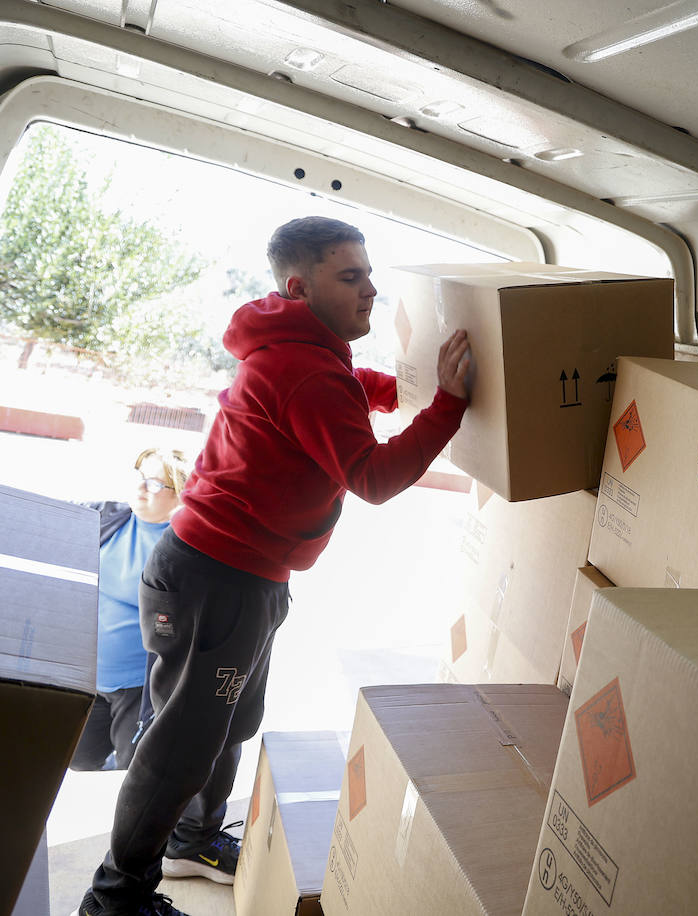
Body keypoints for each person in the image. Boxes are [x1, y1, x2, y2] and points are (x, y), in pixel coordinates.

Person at [75, 216, 474, 916]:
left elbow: (350, 387)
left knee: (228, 723)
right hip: (217, 580)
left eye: (368, 273)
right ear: (299, 286)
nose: (371, 290)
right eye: (349, 277)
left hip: (241, 576)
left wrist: (399, 390)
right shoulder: (303, 369)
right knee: (182, 744)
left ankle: (191, 839)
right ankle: (115, 899)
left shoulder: (305, 347)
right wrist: (447, 403)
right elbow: (373, 478)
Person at [70, 448, 191, 772]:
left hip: (138, 690)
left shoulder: (182, 551)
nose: (140, 488)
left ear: (179, 495)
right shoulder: (107, 517)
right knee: (78, 759)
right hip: (89, 677)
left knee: (131, 771)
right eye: (140, 477)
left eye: (153, 484)